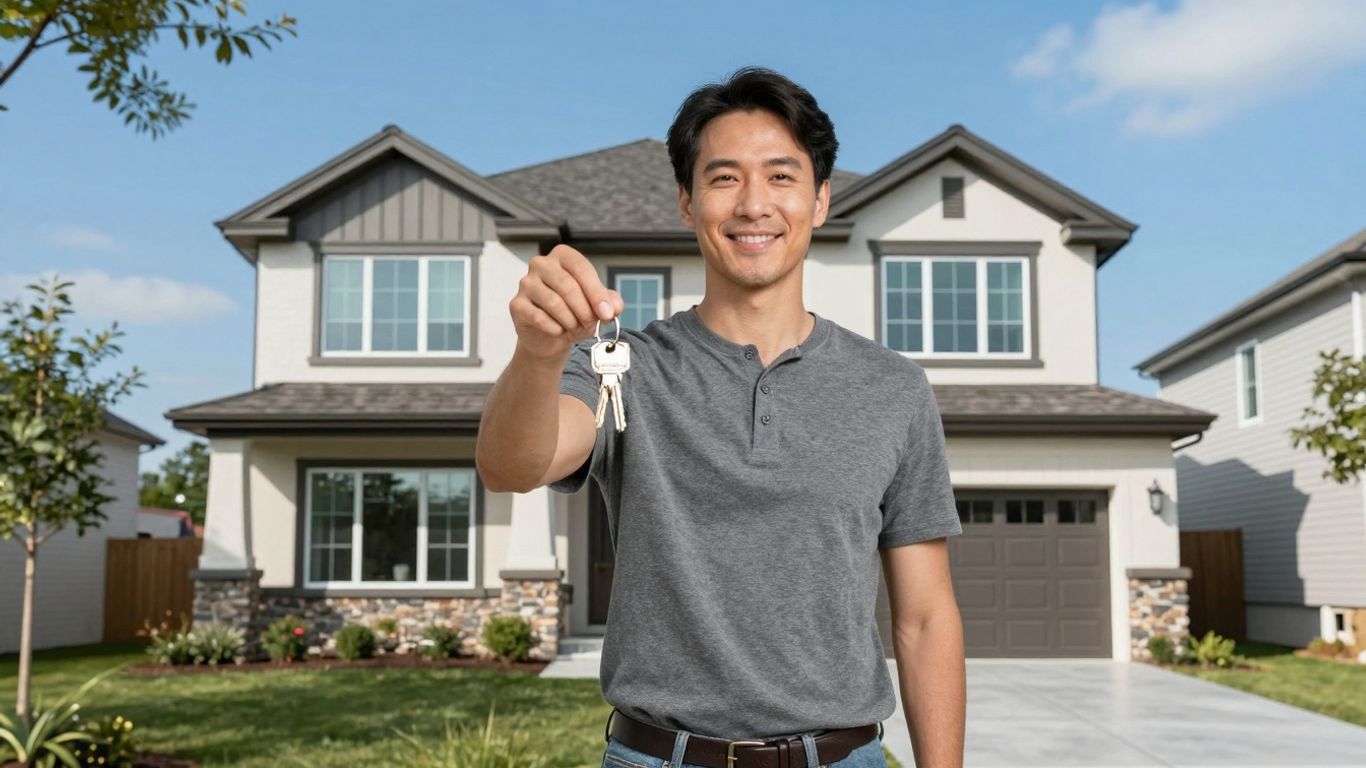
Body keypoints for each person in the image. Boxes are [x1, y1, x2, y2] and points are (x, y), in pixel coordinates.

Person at [476, 66, 965, 768]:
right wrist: (537, 353)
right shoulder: (621, 367)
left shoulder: (894, 389)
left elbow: (925, 618)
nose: (753, 204)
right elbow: (510, 466)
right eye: (725, 177)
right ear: (687, 202)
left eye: (781, 176)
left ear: (821, 200)